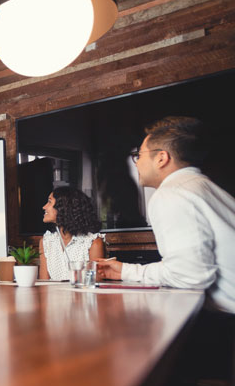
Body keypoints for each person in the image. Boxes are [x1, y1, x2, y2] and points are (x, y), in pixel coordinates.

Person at [97, 117, 235, 312]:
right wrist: (127, 271)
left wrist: (130, 272)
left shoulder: (172, 194)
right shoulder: (205, 187)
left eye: (139, 155)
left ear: (162, 158)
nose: (136, 163)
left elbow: (190, 276)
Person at [39, 186, 105, 280]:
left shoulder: (93, 243)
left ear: (64, 207)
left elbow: (94, 284)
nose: (44, 207)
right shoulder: (46, 242)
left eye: (49, 202)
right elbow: (44, 284)